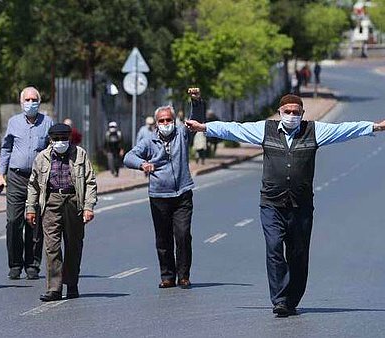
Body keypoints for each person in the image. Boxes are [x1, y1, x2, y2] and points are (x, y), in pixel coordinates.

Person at [185, 94, 385, 317]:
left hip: (301, 206)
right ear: (280, 113)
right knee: (273, 248)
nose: (291, 116)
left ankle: (291, 299)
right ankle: (279, 299)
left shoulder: (314, 130)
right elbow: (235, 129)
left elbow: (345, 129)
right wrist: (204, 127)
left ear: (302, 114)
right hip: (271, 204)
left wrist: (375, 126)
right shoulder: (265, 129)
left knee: (298, 255)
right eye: (287, 112)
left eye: (296, 112)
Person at [123, 105, 195, 290]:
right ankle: (167, 276)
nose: (165, 123)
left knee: (183, 235)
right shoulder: (148, 141)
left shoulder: (182, 135)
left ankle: (184, 276)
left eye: (168, 120)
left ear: (174, 121)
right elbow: (128, 157)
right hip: (159, 196)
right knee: (163, 239)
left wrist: (196, 102)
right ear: (156, 123)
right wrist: (142, 164)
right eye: (162, 120)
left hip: (182, 194)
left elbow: (196, 120)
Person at [26, 123, 97, 302]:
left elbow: (90, 181)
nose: (60, 142)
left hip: (73, 201)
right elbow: (33, 185)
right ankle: (54, 288)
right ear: (50, 140)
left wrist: (89, 206)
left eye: (63, 139)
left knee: (73, 244)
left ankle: (72, 284)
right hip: (51, 202)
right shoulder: (42, 158)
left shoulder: (79, 154)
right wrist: (31, 208)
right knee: (51, 246)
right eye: (56, 139)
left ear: (69, 138)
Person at [0, 86, 54, 280]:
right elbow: (6, 149)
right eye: (27, 100)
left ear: (39, 101)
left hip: (38, 179)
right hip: (16, 177)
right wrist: (0, 175)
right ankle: (15, 264)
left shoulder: (47, 123)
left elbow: (52, 151)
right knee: (13, 221)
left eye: (33, 99)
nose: (30, 103)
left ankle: (32, 264)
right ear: (21, 103)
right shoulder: (13, 123)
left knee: (34, 223)